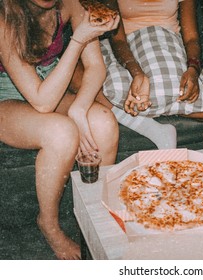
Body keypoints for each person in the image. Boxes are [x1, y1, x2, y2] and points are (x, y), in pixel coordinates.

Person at [0, 0, 120, 259]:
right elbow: (43, 103)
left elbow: (96, 67)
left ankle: (96, 214)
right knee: (61, 132)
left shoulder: (71, 3)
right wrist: (78, 41)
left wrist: (80, 108)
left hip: (51, 86)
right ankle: (49, 224)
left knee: (103, 122)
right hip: (6, 98)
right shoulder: (3, 14)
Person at [73, 0, 203, 149]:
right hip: (128, 51)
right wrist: (137, 73)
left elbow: (191, 38)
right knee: (78, 77)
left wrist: (193, 69)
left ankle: (154, 109)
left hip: (168, 44)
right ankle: (150, 124)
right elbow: (118, 40)